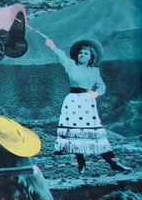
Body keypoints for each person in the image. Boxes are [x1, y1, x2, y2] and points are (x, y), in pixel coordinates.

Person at [45, 37, 123, 172]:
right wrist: (52, 46)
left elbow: (101, 86)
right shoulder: (71, 65)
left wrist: (96, 93)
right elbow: (61, 55)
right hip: (72, 101)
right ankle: (81, 163)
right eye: (80, 52)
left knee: (95, 133)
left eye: (86, 53)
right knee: (76, 132)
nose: (82, 55)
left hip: (87, 103)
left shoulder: (95, 71)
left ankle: (113, 163)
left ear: (91, 57)